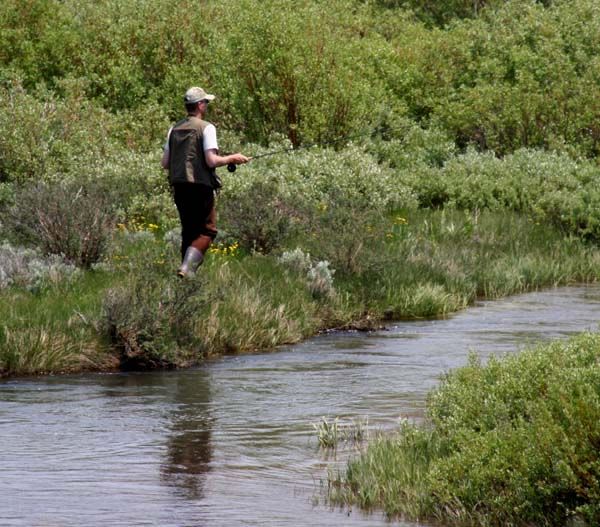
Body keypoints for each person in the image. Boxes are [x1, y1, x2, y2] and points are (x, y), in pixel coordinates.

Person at [161, 86, 249, 277]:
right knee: (207, 231)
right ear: (200, 105)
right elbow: (211, 161)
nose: (207, 105)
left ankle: (184, 278)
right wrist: (233, 158)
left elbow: (165, 163)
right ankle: (187, 269)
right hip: (200, 186)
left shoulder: (173, 129)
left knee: (189, 231)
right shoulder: (207, 128)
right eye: (206, 102)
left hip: (179, 186)